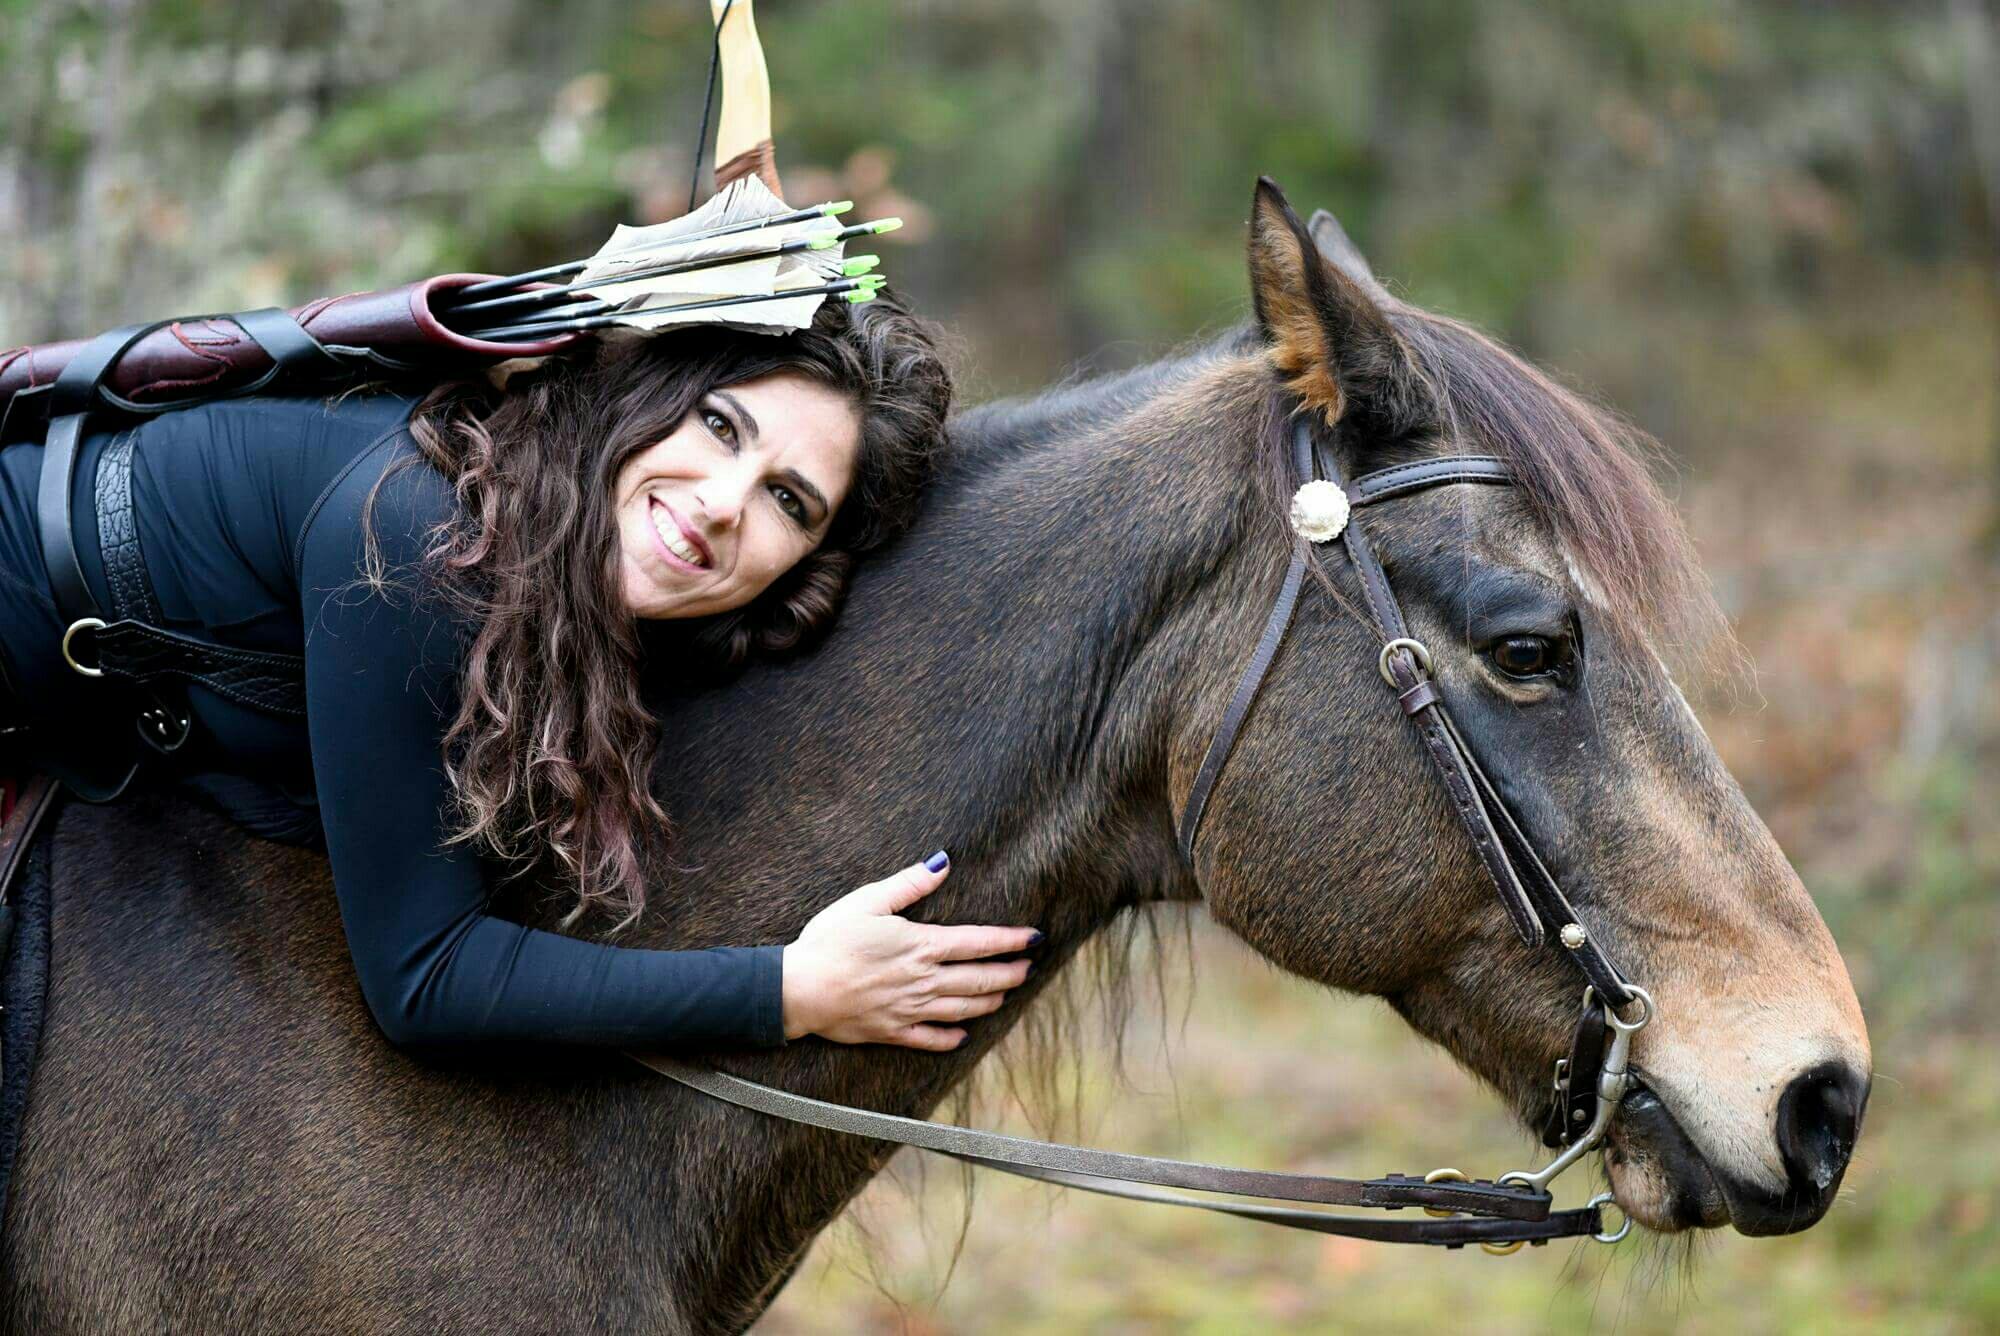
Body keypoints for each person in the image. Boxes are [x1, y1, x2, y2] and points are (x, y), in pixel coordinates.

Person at [0, 297, 1037, 1054]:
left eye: (788, 501)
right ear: (644, 391)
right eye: (719, 425)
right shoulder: (421, 540)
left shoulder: (558, 556)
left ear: (802, 567)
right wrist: (789, 991)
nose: (724, 503)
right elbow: (423, 981)